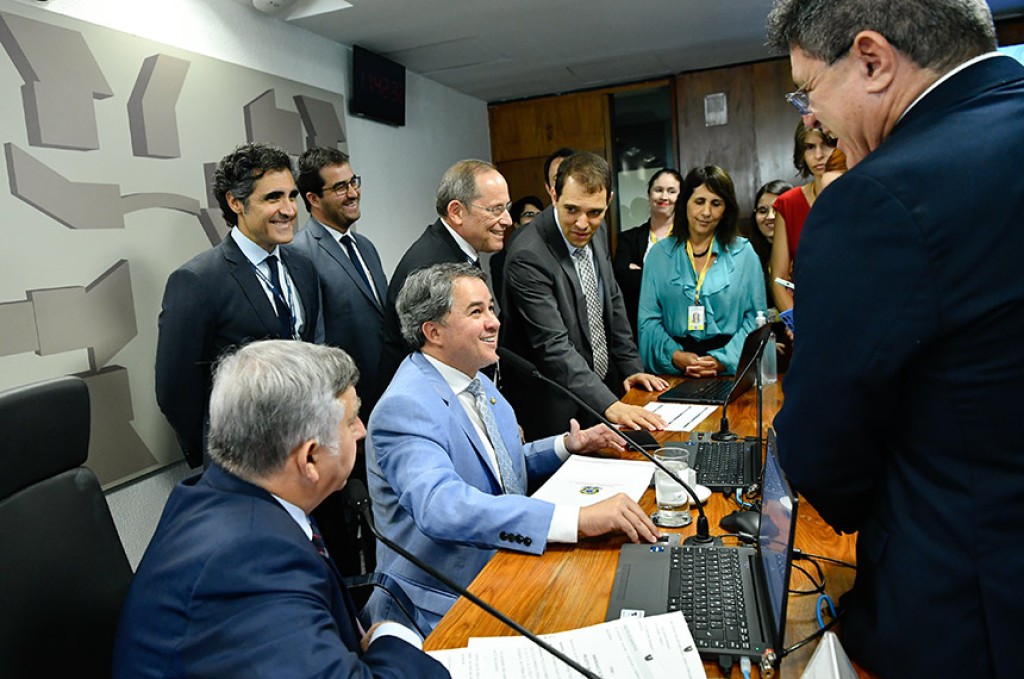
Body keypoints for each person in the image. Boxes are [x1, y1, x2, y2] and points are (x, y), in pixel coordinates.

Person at [766, 1, 1024, 676]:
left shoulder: (877, 199)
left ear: (873, 61)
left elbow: (822, 455)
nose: (811, 118)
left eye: (808, 90)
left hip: (969, 610)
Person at [114, 340, 448, 678]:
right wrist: (394, 637)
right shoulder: (252, 560)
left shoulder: (217, 493)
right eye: (351, 420)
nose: (362, 430)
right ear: (310, 458)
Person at [366, 263, 660, 635]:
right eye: (476, 312)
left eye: (491, 308)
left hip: (505, 568)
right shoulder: (407, 405)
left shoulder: (476, 380)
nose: (494, 322)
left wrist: (566, 446)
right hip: (443, 606)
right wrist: (577, 519)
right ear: (433, 331)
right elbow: (443, 506)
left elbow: (495, 468)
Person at [155, 143, 322, 468]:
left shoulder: (303, 267)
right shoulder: (198, 280)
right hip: (242, 459)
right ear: (235, 202)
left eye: (292, 196)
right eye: (273, 198)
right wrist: (217, 451)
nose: (289, 210)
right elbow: (175, 391)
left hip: (305, 446)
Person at [502, 151, 668, 440]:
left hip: (601, 389)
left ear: (609, 202)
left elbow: (612, 300)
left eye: (594, 212)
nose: (582, 223)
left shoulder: (597, 230)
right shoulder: (528, 255)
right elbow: (553, 346)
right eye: (571, 210)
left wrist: (630, 367)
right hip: (554, 404)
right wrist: (610, 405)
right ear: (554, 195)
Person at [289, 146, 387, 575]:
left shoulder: (365, 246)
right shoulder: (302, 255)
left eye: (354, 182)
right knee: (349, 540)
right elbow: (317, 349)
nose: (353, 193)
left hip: (382, 411)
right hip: (346, 421)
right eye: (340, 187)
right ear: (313, 198)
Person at [378, 160, 511, 388]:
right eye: (495, 210)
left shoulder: (457, 250)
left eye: (507, 207)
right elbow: (434, 362)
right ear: (457, 212)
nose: (507, 220)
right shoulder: (431, 269)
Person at [638, 166, 765, 377]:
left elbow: (756, 320)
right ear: (685, 203)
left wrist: (723, 360)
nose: (706, 212)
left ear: (726, 209)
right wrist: (676, 356)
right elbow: (648, 321)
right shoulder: (658, 255)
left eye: (716, 204)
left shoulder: (744, 253)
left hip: (731, 371)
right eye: (699, 201)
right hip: (673, 371)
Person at [768, 122, 836, 312]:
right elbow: (779, 279)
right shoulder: (789, 203)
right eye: (809, 147)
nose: (818, 155)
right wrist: (796, 322)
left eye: (827, 145)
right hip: (806, 312)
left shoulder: (861, 196)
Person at [613, 168, 683, 340]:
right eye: (658, 190)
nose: (664, 197)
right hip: (638, 330)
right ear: (649, 194)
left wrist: (641, 273)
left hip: (680, 329)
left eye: (671, 191)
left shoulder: (688, 240)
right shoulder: (628, 239)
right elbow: (622, 278)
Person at [491, 194, 543, 307]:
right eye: (529, 215)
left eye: (539, 215)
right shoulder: (501, 259)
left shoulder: (554, 253)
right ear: (516, 224)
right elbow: (505, 301)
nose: (536, 220)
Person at [749, 180, 794, 307]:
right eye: (763, 210)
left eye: (777, 209)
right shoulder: (749, 256)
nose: (770, 216)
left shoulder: (808, 252)